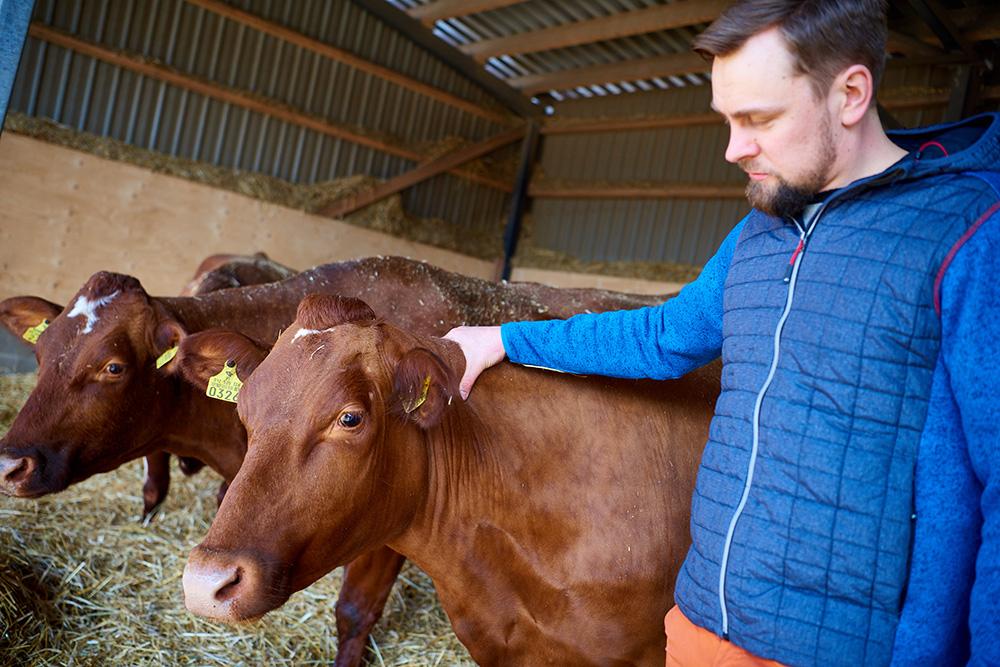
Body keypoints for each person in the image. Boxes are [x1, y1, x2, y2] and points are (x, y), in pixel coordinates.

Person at [444, 1, 1000, 665]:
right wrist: (505, 339)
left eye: (758, 119)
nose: (734, 149)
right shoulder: (759, 235)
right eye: (728, 120)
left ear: (850, 93)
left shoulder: (967, 234)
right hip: (701, 629)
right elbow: (661, 336)